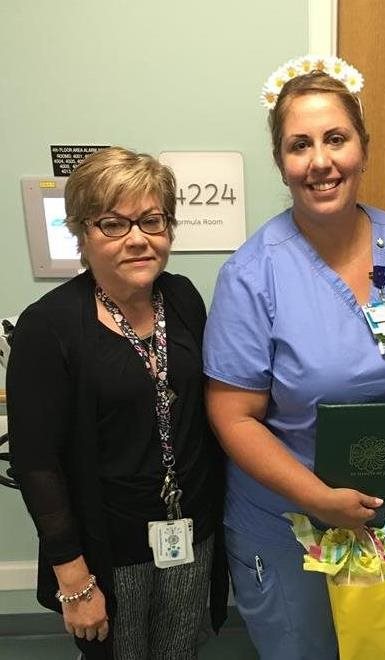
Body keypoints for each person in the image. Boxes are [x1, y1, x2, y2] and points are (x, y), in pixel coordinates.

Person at [203, 55, 385, 659]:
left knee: (381, 647)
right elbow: (232, 416)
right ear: (281, 162)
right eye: (300, 145)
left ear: (363, 148)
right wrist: (318, 498)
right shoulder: (252, 274)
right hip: (295, 522)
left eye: (336, 139)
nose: (321, 161)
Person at [7, 147, 227, 659]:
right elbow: (36, 463)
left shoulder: (182, 297)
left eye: (152, 220)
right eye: (113, 224)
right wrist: (75, 580)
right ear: (82, 233)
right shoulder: (50, 326)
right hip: (108, 545)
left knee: (179, 651)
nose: (137, 239)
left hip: (190, 532)